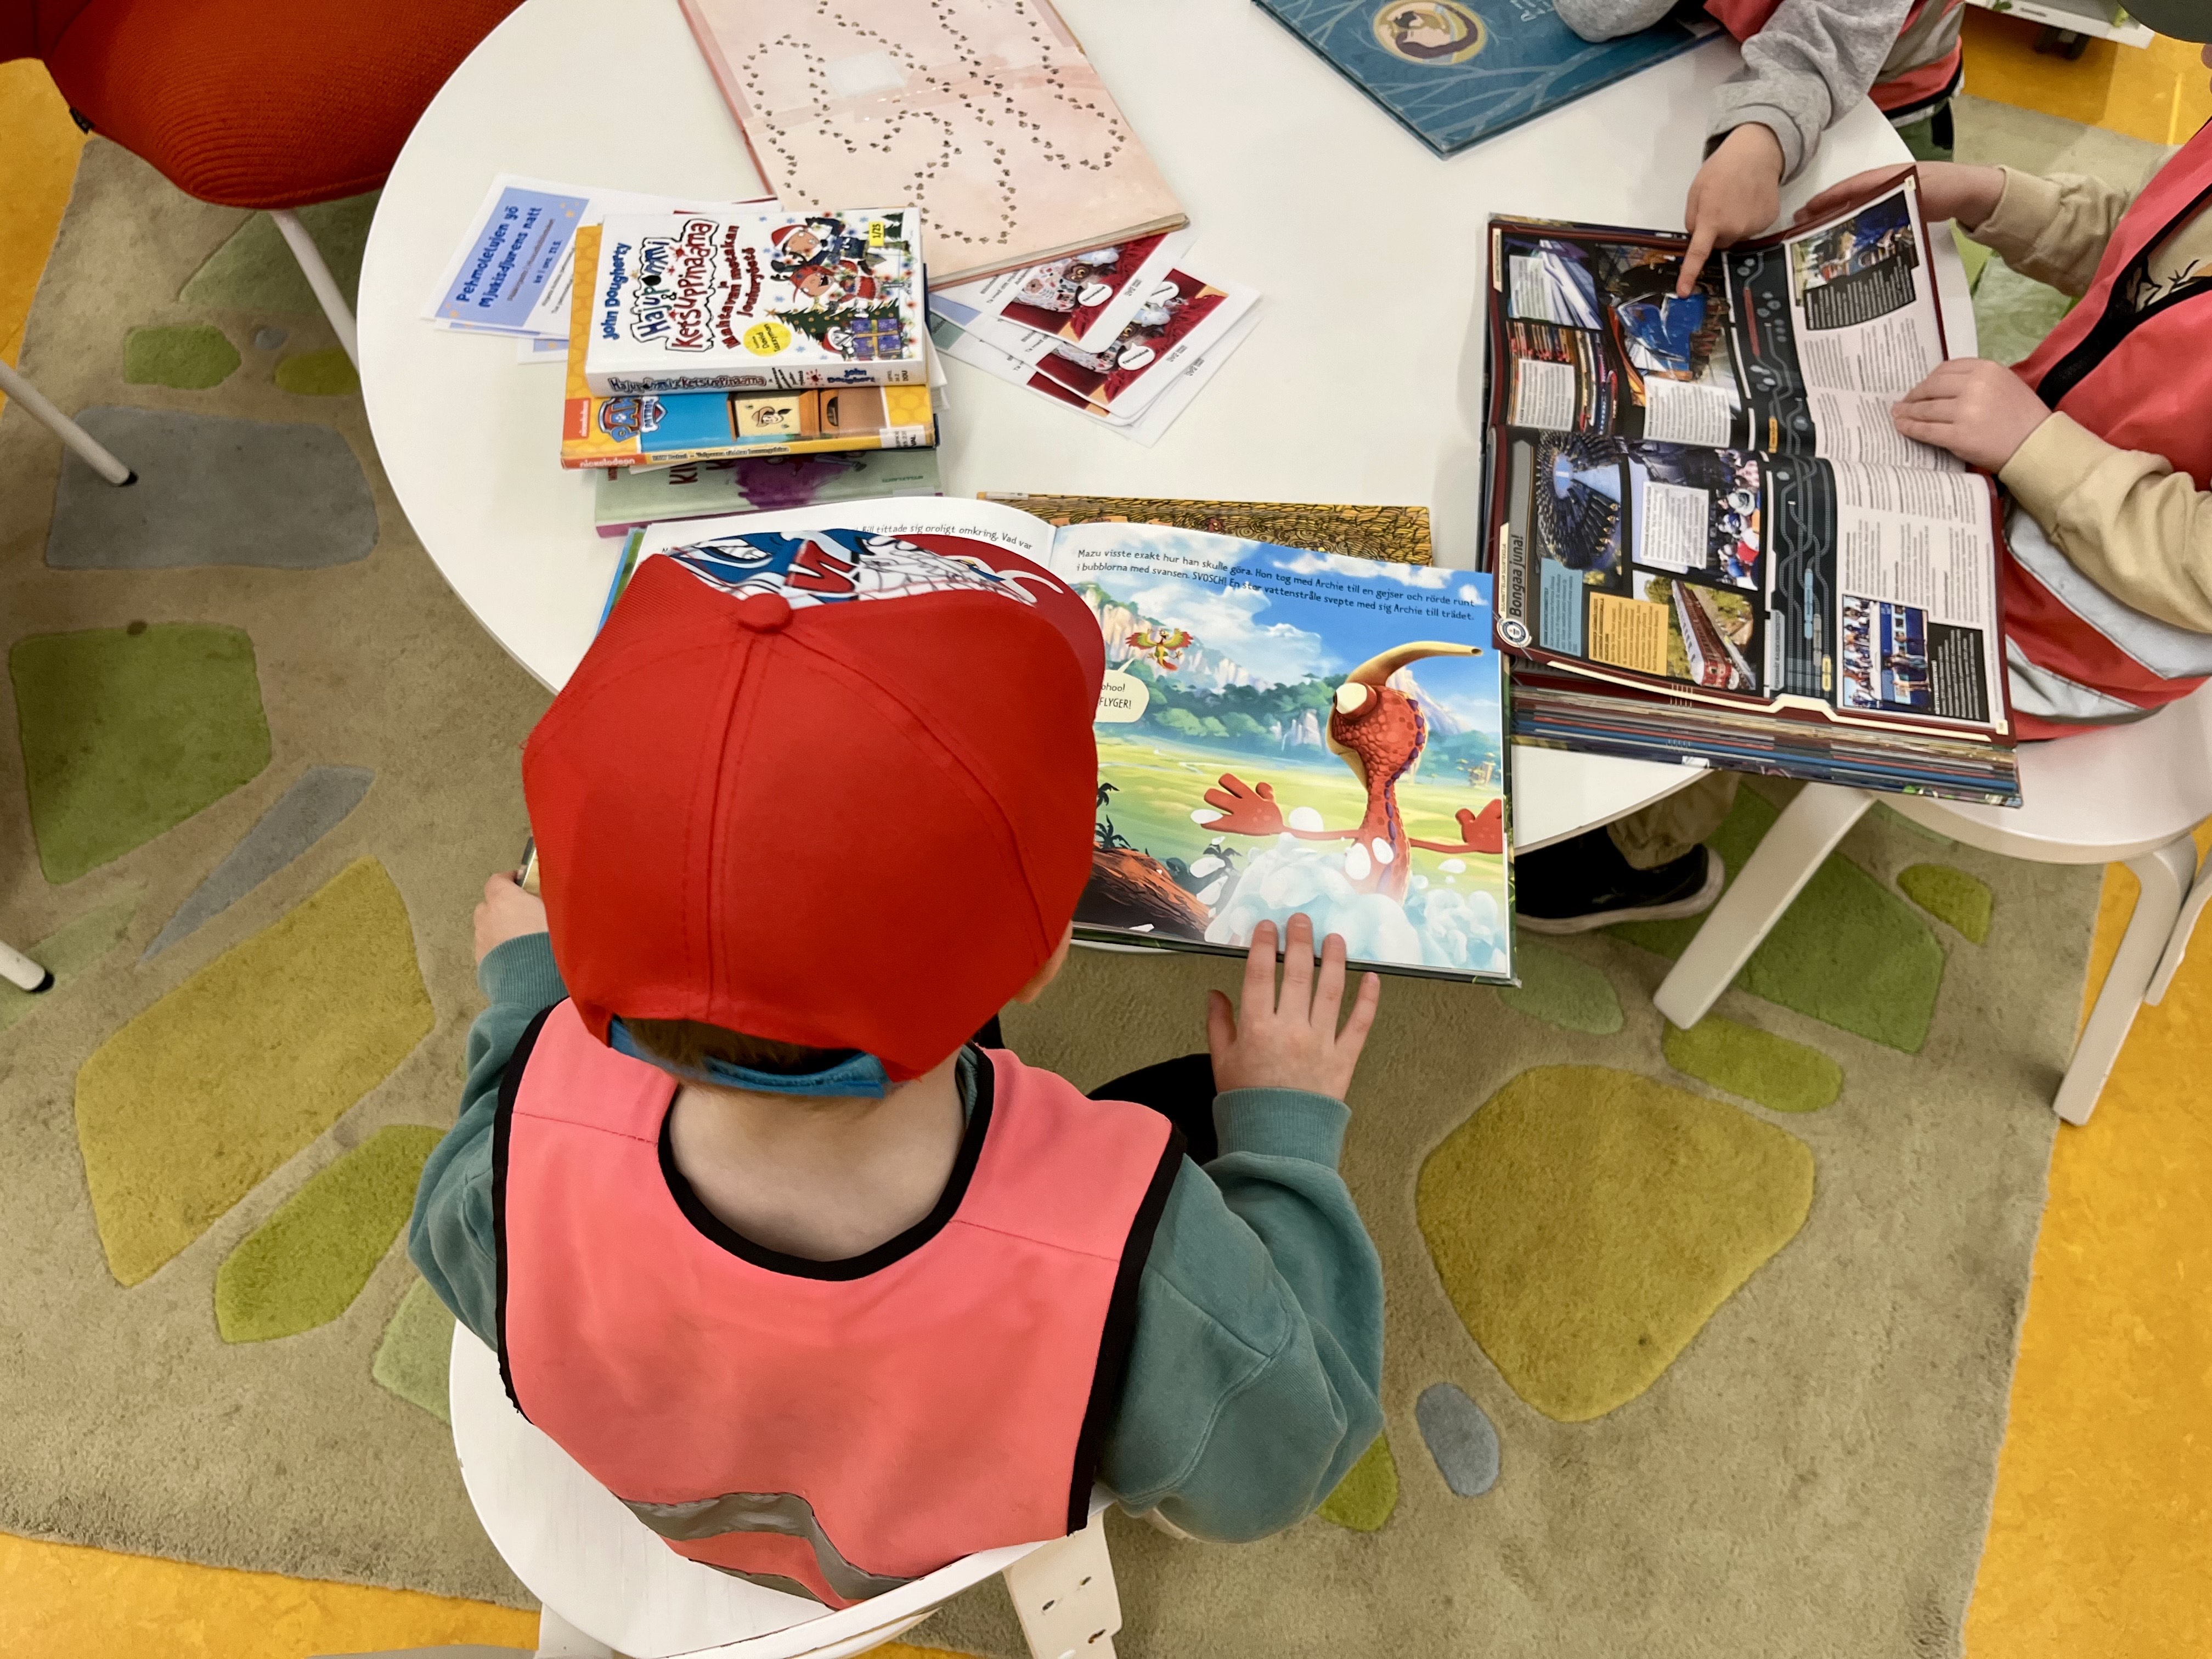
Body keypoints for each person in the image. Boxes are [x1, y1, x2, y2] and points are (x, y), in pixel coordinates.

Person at [408, 542, 1386, 1605]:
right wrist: (1285, 1131)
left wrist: (525, 999)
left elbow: (511, 1149)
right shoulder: (1141, 1261)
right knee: (1202, 1093)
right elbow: (1277, 1470)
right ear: (1049, 955)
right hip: (922, 1542)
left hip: (672, 1508)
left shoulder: (492, 1175)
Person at [1519, 16, 2212, 932]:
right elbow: (2149, 245)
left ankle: (1643, 848)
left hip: (2073, 636)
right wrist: (1992, 197)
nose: (2203, 55)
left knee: (1740, 590)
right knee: (1732, 474)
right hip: (2010, 493)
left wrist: (2035, 445)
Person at [1556, 0, 1964, 295]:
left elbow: (1831, 41)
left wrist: (1765, 134)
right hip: (1723, 59)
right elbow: (1591, 14)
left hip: (1881, 106)